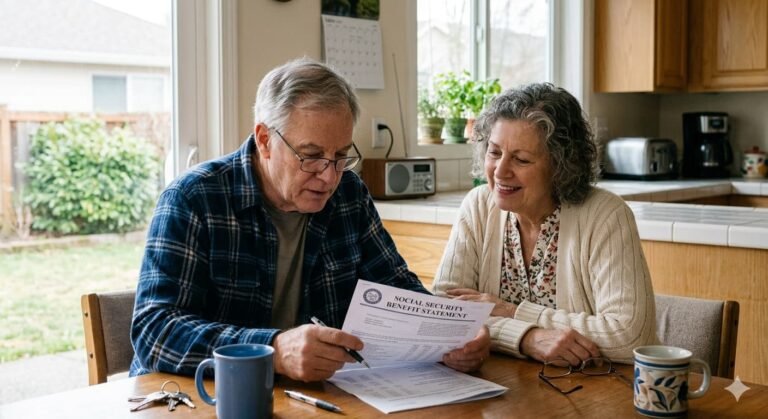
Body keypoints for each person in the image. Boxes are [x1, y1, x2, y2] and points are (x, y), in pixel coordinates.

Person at [130, 58, 489, 382]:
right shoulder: (193, 199)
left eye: (341, 156)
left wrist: (448, 334)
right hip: (200, 398)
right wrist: (272, 350)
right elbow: (154, 331)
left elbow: (395, 286)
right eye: (311, 156)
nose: (329, 177)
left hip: (318, 397)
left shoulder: (349, 194)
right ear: (265, 140)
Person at [431, 83, 658, 366]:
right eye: (494, 152)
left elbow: (630, 337)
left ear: (561, 166)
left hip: (593, 394)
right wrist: (527, 338)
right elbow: (441, 314)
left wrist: (513, 312)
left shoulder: (606, 215)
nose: (500, 171)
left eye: (521, 159)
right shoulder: (478, 205)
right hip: (505, 389)